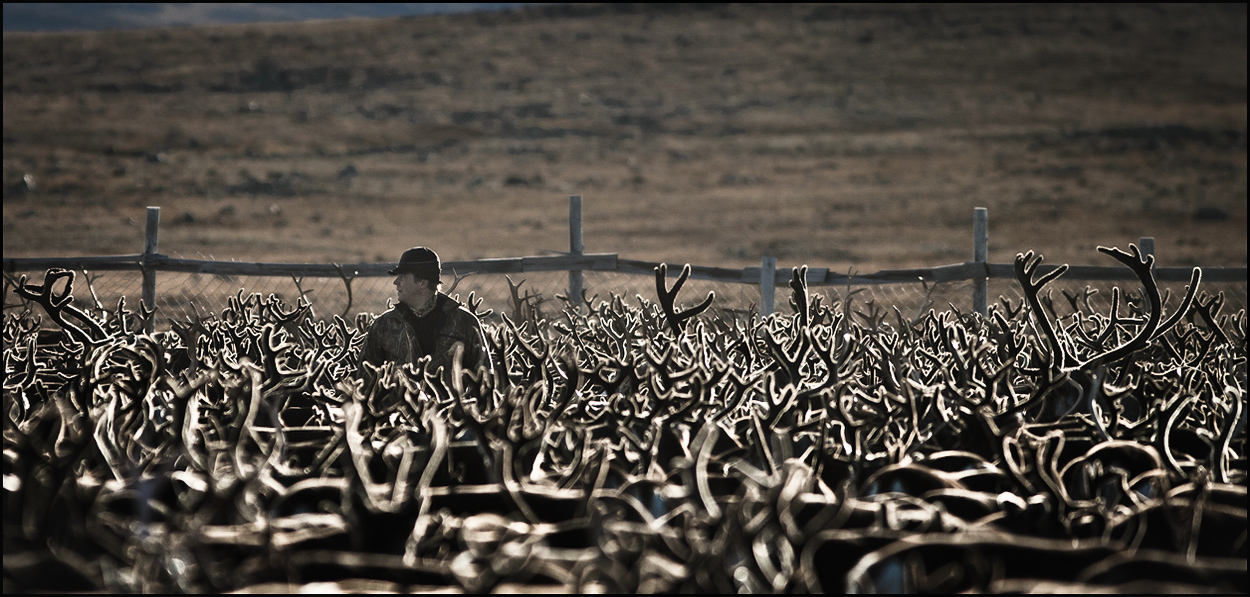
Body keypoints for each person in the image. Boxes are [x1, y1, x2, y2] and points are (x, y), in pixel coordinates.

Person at [360, 247, 492, 377]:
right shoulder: (383, 326)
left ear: (423, 283)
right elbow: (364, 381)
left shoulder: (465, 323)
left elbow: (485, 380)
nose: (396, 282)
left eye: (402, 277)